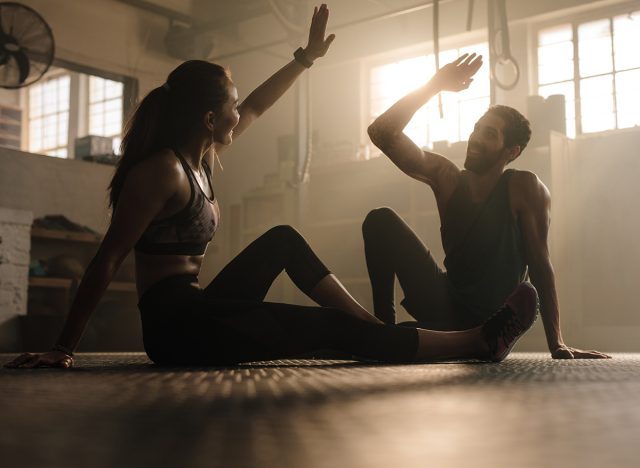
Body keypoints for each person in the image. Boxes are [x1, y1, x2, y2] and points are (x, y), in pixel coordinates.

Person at [5, 8, 537, 369]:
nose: (242, 110)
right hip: (178, 331)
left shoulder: (201, 155)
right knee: (326, 332)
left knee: (283, 238)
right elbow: (107, 258)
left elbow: (258, 103)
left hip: (199, 309)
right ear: (211, 117)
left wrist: (305, 58)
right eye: (231, 104)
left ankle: (374, 328)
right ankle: (473, 341)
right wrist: (62, 347)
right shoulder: (163, 171)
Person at [365, 53, 610, 360]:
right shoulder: (448, 178)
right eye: (477, 129)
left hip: (489, 322)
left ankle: (440, 340)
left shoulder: (523, 186)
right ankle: (381, 332)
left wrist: (557, 343)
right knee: (380, 221)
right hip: (445, 304)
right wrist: (435, 85)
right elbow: (381, 133)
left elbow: (540, 264)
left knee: (527, 294)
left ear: (511, 151)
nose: (475, 139)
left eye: (489, 134)